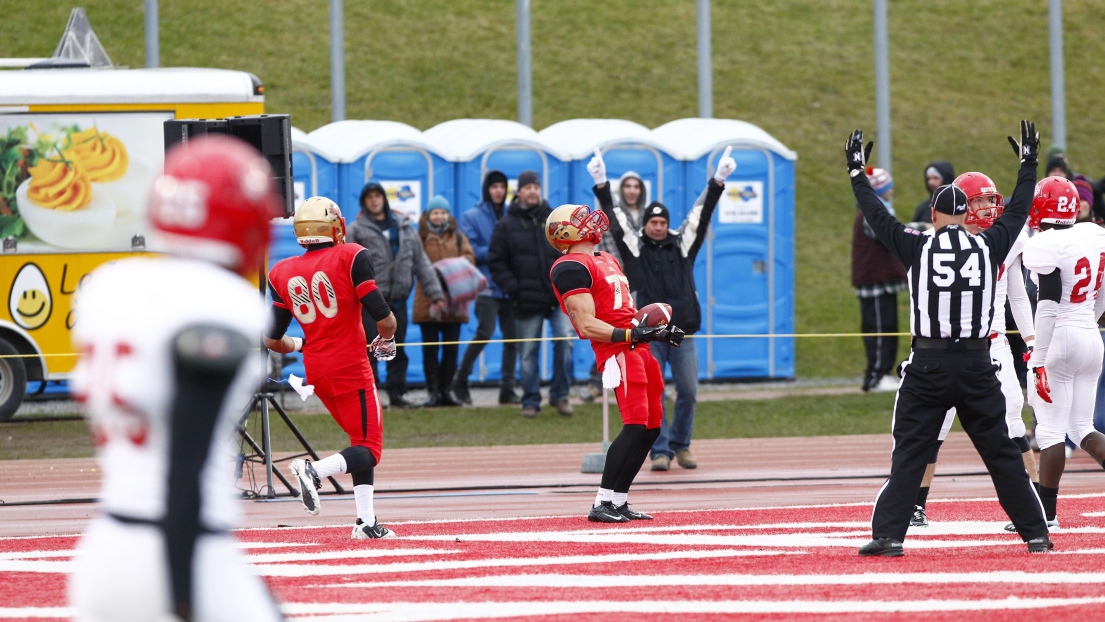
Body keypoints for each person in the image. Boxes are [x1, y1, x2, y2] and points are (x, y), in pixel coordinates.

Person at [68, 135, 284, 620]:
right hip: (179, 544)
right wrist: (183, 595)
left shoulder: (110, 289)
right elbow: (183, 465)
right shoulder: (216, 304)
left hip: (104, 550)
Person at [845, 122, 1051, 557]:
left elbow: (876, 214)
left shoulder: (916, 246)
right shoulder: (991, 245)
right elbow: (1017, 211)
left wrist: (856, 173)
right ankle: (1035, 531)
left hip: (929, 365)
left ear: (935, 215)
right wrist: (1028, 164)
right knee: (1000, 453)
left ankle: (889, 535)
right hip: (979, 363)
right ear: (967, 214)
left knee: (910, 451)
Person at [589, 147, 735, 471]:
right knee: (655, 391)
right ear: (646, 225)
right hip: (648, 333)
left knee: (688, 391)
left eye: (662, 222)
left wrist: (719, 180)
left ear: (667, 225)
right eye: (652, 222)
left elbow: (700, 215)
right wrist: (601, 183)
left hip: (683, 330)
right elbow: (617, 221)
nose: (657, 226)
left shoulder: (682, 247)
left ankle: (682, 446)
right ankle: (660, 450)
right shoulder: (635, 251)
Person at [909, 172, 1040, 529]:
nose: (986, 207)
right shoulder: (933, 242)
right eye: (979, 201)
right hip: (945, 345)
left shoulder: (1006, 239)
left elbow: (1017, 293)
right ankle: (916, 504)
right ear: (961, 207)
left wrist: (1030, 342)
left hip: (992, 341)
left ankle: (1038, 502)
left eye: (989, 200)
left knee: (1013, 420)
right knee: (934, 427)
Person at [266, 196, 399, 540]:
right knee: (370, 447)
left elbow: (272, 341)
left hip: (316, 370)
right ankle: (314, 471)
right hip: (350, 365)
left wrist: (303, 343)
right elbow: (384, 317)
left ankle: (366, 522)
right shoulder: (350, 255)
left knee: (358, 444)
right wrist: (387, 339)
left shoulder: (281, 271)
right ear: (334, 226)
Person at [546, 202, 685, 522]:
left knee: (651, 428)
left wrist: (656, 332)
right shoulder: (569, 266)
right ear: (564, 231)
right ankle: (602, 502)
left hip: (637, 347)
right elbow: (586, 325)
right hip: (616, 350)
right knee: (635, 424)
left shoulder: (604, 257)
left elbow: (624, 313)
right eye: (580, 219)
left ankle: (618, 501)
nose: (590, 220)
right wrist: (634, 335)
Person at [1021, 175, 1105, 530]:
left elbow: (1048, 304)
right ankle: (1046, 513)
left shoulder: (1043, 244)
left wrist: (1038, 358)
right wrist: (1092, 318)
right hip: (1090, 333)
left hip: (1060, 336)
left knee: (1052, 431)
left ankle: (1047, 515)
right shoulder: (1094, 234)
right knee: (1083, 428)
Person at [346, 182, 445, 408]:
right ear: (364, 201)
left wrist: (435, 293)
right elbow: (345, 264)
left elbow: (422, 263)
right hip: (370, 302)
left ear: (384, 199)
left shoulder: (404, 227)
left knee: (396, 350)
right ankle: (373, 398)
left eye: (377, 196)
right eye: (369, 197)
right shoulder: (356, 229)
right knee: (371, 349)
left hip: (398, 300)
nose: (374, 200)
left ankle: (397, 395)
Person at [488, 170, 575, 418]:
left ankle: (560, 395)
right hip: (525, 300)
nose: (533, 191)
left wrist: (569, 284)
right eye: (527, 187)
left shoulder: (554, 220)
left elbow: (571, 251)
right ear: (519, 192)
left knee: (566, 343)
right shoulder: (506, 224)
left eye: (536, 187)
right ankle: (530, 400)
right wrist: (513, 288)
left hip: (558, 297)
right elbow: (496, 262)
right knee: (528, 352)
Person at [452, 170, 520, 406]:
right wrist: (498, 251)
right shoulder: (472, 216)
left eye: (502, 186)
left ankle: (507, 389)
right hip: (486, 286)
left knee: (513, 339)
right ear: (487, 189)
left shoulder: (513, 214)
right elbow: (470, 251)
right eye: (494, 187)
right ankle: (460, 380)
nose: (499, 191)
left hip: (509, 286)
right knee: (485, 332)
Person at [582, 171, 650, 402]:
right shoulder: (614, 217)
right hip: (616, 283)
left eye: (636, 186)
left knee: (642, 331)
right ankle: (595, 382)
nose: (632, 190)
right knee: (612, 330)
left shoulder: (645, 217)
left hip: (642, 283)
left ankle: (645, 378)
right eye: (628, 186)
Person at [415, 195, 476, 407]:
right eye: (435, 212)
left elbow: (469, 258)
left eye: (443, 212)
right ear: (428, 215)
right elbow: (415, 262)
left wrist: (449, 268)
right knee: (430, 350)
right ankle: (433, 392)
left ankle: (446, 392)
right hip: (427, 301)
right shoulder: (419, 237)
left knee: (451, 349)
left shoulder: (458, 237)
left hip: (454, 301)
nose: (439, 216)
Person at [851, 167, 908, 393]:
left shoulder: (879, 210)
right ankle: (875, 376)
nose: (891, 189)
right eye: (887, 186)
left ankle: (884, 372)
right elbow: (888, 234)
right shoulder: (869, 214)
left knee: (889, 327)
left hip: (884, 282)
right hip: (873, 282)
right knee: (878, 328)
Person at [911, 160, 955, 226]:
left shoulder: (957, 206)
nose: (930, 182)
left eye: (935, 178)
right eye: (928, 178)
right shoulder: (923, 208)